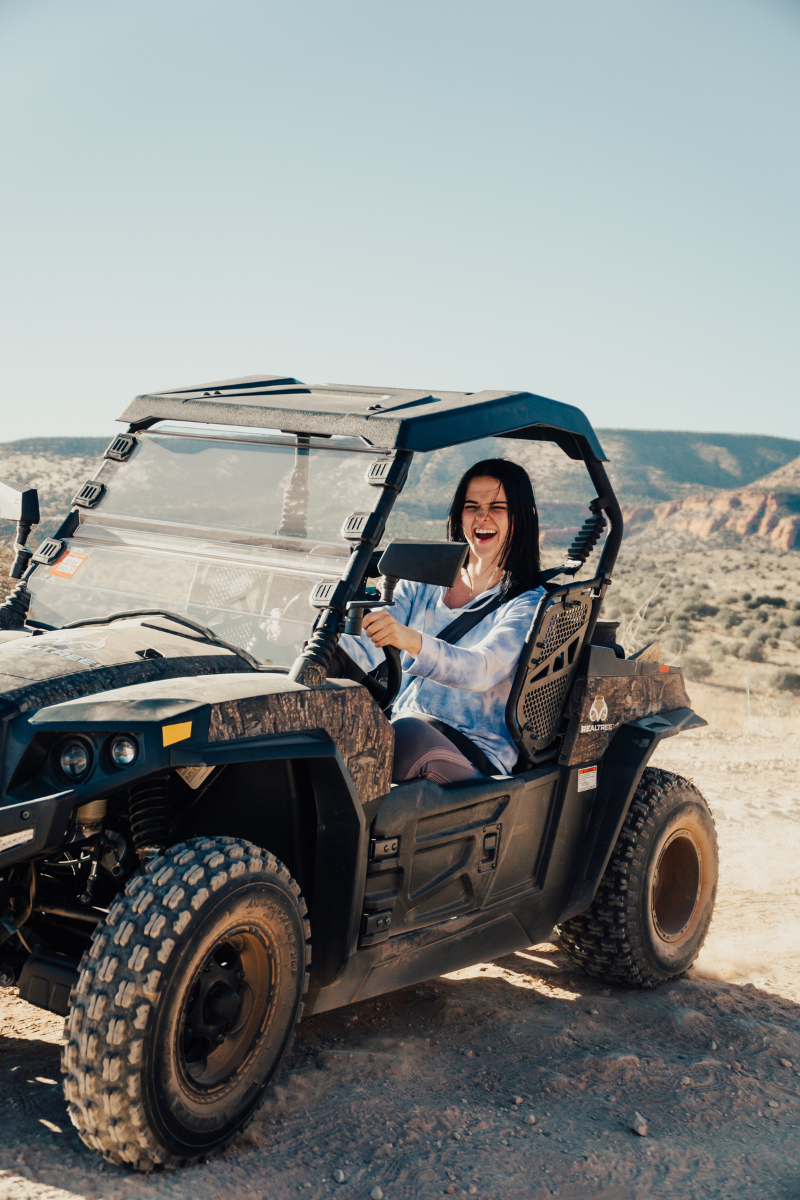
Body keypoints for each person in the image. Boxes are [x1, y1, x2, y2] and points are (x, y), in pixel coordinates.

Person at [339, 458, 544, 782]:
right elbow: (365, 646)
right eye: (472, 505)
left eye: (498, 507)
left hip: (473, 753)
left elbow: (481, 669)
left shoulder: (527, 604)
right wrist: (320, 650)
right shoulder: (421, 581)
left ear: (524, 517)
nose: (482, 516)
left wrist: (410, 640)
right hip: (401, 727)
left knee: (404, 734)